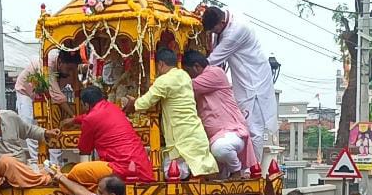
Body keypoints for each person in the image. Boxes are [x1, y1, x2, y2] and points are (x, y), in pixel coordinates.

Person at [201, 5, 277, 157]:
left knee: (253, 130)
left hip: (253, 83)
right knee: (241, 127)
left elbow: (212, 60)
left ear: (222, 23)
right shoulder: (224, 18)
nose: (213, 34)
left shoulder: (236, 31)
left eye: (214, 30)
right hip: (241, 80)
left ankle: (253, 169)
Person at [132, 48, 219, 178]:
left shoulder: (164, 81)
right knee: (200, 170)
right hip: (195, 131)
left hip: (180, 136)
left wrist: (132, 103)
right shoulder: (184, 76)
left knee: (172, 173)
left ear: (160, 64)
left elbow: (143, 104)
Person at [183, 49, 257, 178]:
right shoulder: (200, 84)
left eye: (187, 72)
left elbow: (185, 86)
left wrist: (167, 81)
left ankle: (236, 171)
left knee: (221, 150)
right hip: (211, 138)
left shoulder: (215, 73)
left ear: (196, 67)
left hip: (230, 132)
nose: (187, 76)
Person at [66, 85, 154, 186]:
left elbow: (85, 149)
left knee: (77, 171)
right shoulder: (113, 108)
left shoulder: (90, 118)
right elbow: (93, 117)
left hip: (122, 168)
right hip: (143, 169)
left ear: (86, 105)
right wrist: (74, 120)